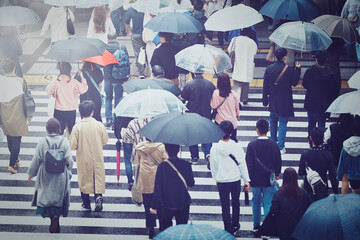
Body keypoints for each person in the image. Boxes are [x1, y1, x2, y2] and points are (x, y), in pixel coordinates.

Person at [27, 118, 73, 233]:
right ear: (59, 129)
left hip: (45, 173)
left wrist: (31, 174)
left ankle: (50, 215)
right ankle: (56, 216)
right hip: (60, 175)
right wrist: (68, 168)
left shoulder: (42, 142)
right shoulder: (65, 142)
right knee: (58, 195)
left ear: (47, 129)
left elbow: (36, 159)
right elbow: (70, 162)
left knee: (46, 194)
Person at [210, 120, 250, 235]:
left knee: (225, 206)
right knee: (236, 203)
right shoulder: (236, 146)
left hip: (222, 180)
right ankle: (235, 224)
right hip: (235, 179)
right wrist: (246, 180)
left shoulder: (215, 148)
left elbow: (214, 166)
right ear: (231, 132)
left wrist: (216, 178)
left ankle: (228, 228)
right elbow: (242, 164)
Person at [69, 100, 109, 212]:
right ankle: (98, 196)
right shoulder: (99, 125)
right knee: (98, 177)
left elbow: (72, 145)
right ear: (92, 112)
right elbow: (105, 140)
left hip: (83, 157)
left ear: (81, 112)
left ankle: (86, 203)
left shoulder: (77, 127)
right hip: (97, 156)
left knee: (84, 178)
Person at [245, 119, 282, 233]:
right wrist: (276, 174)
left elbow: (249, 164)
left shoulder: (252, 145)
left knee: (256, 201)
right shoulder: (273, 144)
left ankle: (256, 225)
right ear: (269, 129)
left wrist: (248, 180)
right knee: (268, 202)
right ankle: (267, 227)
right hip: (268, 179)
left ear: (257, 130)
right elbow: (278, 161)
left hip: (255, 179)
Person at [262, 48, 301, 154]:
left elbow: (265, 86)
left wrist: (265, 100)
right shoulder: (288, 69)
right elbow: (294, 82)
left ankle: (273, 143)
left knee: (273, 122)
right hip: (285, 101)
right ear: (284, 57)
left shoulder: (269, 68)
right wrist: (297, 70)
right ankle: (280, 146)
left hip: (273, 101)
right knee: (283, 124)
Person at [150, 144, 195, 232]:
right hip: (183, 202)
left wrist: (154, 205)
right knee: (182, 230)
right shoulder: (186, 165)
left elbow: (158, 188)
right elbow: (191, 183)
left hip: (166, 204)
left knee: (165, 230)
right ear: (178, 150)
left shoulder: (162, 166)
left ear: (166, 151)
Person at [259, 168, 312, 240]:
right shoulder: (303, 193)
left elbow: (273, 210)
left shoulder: (279, 194)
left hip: (284, 227)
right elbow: (309, 208)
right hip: (299, 226)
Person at [0, 58, 32, 174]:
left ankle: (16, 159)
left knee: (9, 137)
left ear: (3, 69)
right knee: (17, 139)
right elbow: (28, 98)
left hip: (4, 115)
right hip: (18, 115)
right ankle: (11, 164)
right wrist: (30, 114)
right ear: (14, 68)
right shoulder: (21, 81)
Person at [134, 141, 168, 239]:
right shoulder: (161, 147)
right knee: (161, 204)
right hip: (158, 177)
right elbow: (165, 161)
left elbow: (136, 163)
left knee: (148, 205)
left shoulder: (140, 147)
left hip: (145, 178)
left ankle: (151, 228)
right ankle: (162, 227)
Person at [46, 62, 88, 136]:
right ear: (69, 70)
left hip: (59, 110)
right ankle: (69, 147)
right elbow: (83, 89)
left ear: (60, 70)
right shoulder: (74, 82)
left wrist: (53, 93)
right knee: (70, 132)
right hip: (71, 111)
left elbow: (48, 91)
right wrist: (82, 77)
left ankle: (60, 146)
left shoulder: (56, 81)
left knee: (59, 132)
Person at [181, 72, 216, 164]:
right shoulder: (210, 84)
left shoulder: (189, 84)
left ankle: (194, 157)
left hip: (192, 113)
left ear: (194, 73)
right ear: (203, 72)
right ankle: (208, 153)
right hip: (206, 113)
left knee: (192, 135)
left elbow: (184, 97)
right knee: (206, 134)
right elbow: (214, 97)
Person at [303, 51, 337, 138]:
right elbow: (332, 91)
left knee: (311, 125)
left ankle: (311, 142)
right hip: (324, 104)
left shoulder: (310, 71)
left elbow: (305, 84)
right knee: (322, 124)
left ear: (316, 60)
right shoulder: (331, 74)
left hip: (311, 103)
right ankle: (321, 142)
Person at [298, 127, 339, 200]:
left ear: (310, 138)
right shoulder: (328, 155)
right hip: (322, 187)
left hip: (308, 188)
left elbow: (301, 172)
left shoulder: (305, 154)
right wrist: (336, 192)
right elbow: (332, 175)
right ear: (323, 139)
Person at [121, 117, 153, 204]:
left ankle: (137, 193)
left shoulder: (133, 123)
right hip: (153, 156)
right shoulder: (156, 121)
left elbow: (127, 139)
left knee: (138, 174)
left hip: (138, 155)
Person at [103, 33, 130, 128]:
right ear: (116, 38)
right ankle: (116, 120)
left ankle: (108, 119)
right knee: (118, 100)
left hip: (107, 78)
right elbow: (127, 64)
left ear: (107, 38)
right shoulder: (121, 47)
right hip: (119, 78)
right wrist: (126, 78)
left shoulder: (104, 48)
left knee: (108, 98)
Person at [228, 27, 258, 105]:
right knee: (246, 82)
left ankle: (235, 97)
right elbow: (255, 52)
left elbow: (229, 50)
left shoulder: (235, 40)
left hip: (237, 63)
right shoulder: (251, 42)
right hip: (247, 64)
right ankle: (244, 98)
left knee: (236, 82)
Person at [210, 73, 239, 142]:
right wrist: (237, 116)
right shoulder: (233, 93)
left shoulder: (216, 93)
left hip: (220, 123)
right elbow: (237, 108)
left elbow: (213, 106)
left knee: (220, 143)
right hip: (232, 123)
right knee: (232, 142)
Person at [337, 116, 360, 194]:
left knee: (355, 195)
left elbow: (342, 162)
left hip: (353, 176)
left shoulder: (347, 144)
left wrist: (339, 175)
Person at [124, 6, 146, 77]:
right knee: (145, 51)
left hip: (136, 34)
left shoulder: (131, 9)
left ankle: (141, 72)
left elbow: (127, 21)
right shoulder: (147, 8)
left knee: (138, 53)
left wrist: (127, 30)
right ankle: (147, 68)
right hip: (146, 33)